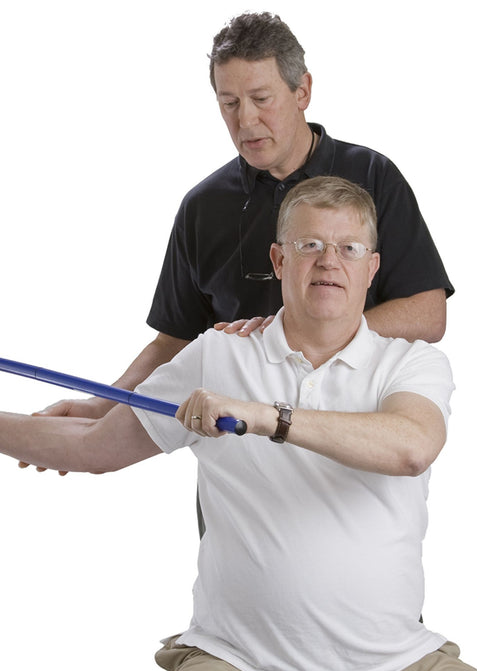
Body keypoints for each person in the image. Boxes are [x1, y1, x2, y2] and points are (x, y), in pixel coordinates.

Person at [0, 176, 477, 671]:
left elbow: (411, 447)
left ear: (372, 268)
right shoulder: (217, 356)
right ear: (279, 260)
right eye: (309, 245)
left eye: (348, 248)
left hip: (398, 669)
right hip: (236, 668)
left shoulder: (411, 363)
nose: (329, 262)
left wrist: (265, 417)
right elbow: (92, 447)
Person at [25, 12, 454, 438]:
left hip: (353, 434)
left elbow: (428, 314)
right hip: (239, 445)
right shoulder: (202, 207)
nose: (245, 120)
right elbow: (173, 343)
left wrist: (293, 337)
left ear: (302, 91)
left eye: (261, 99)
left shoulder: (374, 177)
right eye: (229, 103)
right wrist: (102, 404)